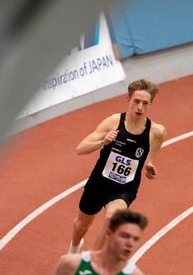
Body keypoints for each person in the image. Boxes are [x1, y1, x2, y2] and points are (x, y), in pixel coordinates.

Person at [68, 79, 166, 253]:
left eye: (145, 103)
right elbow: (80, 149)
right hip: (98, 183)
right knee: (82, 225)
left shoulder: (156, 131)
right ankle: (74, 249)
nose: (140, 108)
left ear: (151, 104)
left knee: (112, 220)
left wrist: (149, 162)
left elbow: (157, 142)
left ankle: (89, 262)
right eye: (136, 101)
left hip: (124, 188)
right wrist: (103, 142)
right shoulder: (114, 122)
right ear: (128, 98)